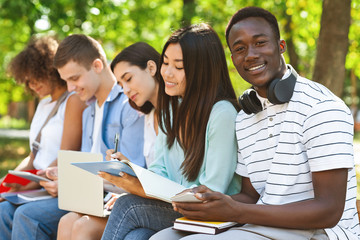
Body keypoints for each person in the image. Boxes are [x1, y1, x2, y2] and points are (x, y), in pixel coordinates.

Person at [151, 6, 360, 240]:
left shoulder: (321, 107)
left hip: (322, 232)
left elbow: (328, 210)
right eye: (240, 49)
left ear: (280, 46)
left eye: (260, 43)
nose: (250, 55)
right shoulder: (245, 117)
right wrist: (211, 202)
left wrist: (237, 210)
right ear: (233, 59)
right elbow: (250, 196)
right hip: (261, 226)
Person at [99, 23, 241, 240]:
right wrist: (132, 173)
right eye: (165, 63)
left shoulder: (222, 113)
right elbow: (160, 171)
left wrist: (138, 188)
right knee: (136, 236)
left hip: (210, 215)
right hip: (178, 207)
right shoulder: (171, 112)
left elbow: (212, 191)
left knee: (127, 206)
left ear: (202, 68)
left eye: (178, 66)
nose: (166, 72)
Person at [57, 42, 161, 240]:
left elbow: (137, 168)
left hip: (122, 196)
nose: (70, 88)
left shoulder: (131, 106)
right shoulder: (88, 112)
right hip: (95, 197)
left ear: (97, 66)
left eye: (74, 78)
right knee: (66, 221)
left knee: (82, 226)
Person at [0, 36, 86, 240]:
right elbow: (33, 154)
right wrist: (10, 178)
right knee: (2, 212)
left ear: (49, 70)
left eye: (35, 77)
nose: (31, 84)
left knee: (22, 214)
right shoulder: (43, 104)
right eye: (27, 80)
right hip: (37, 182)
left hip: (52, 184)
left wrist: (29, 182)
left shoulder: (73, 100)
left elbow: (67, 154)